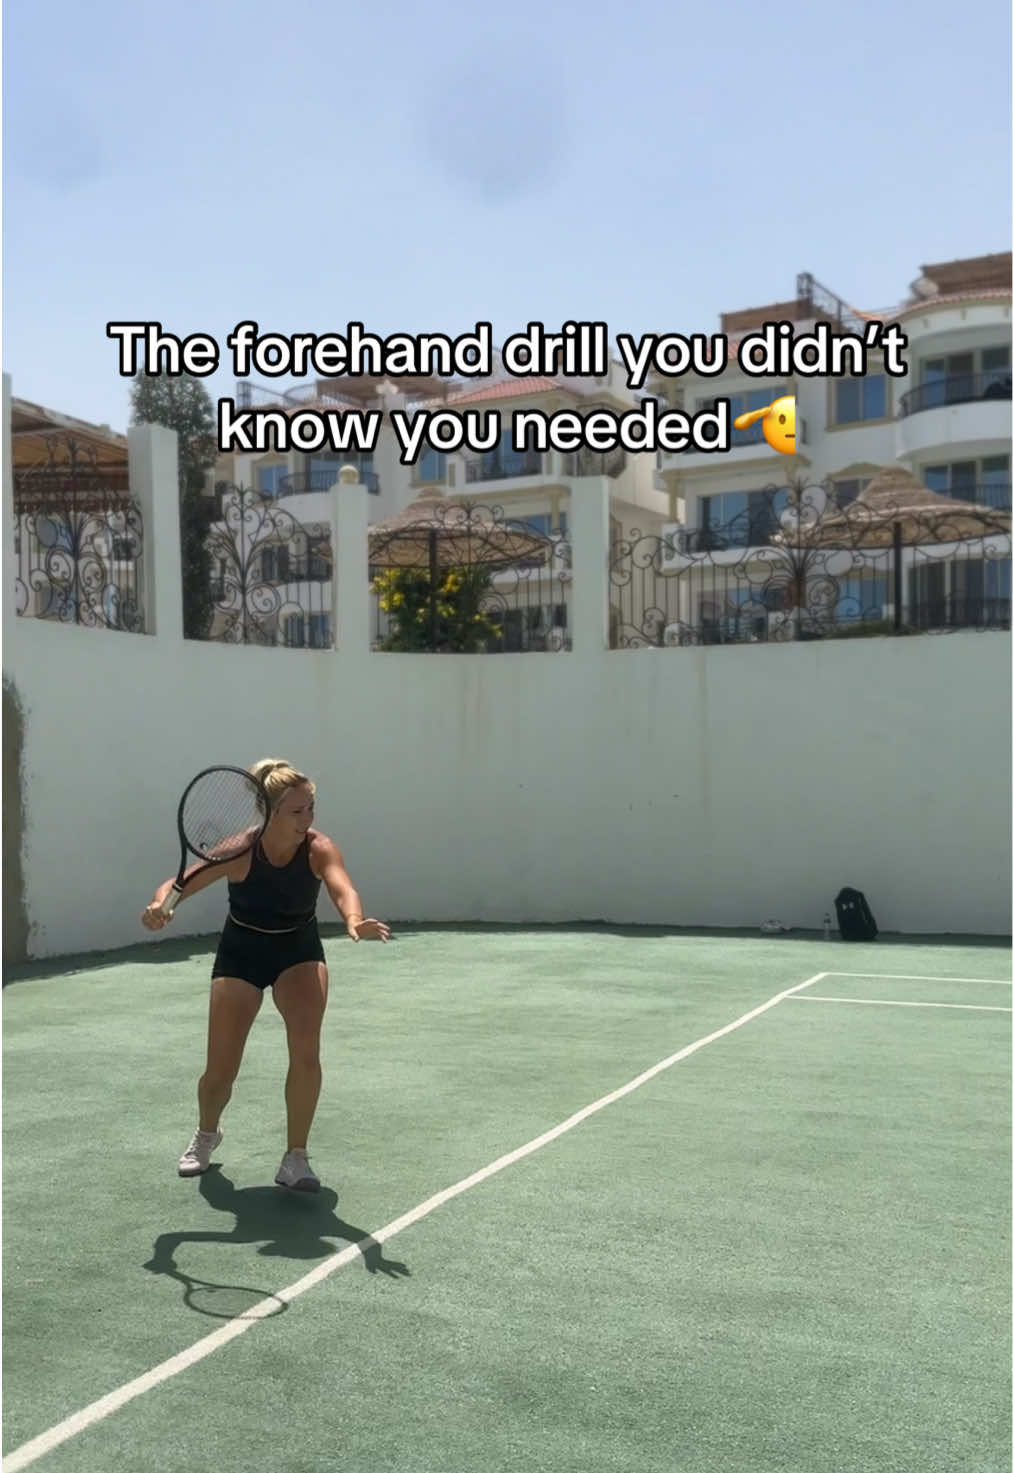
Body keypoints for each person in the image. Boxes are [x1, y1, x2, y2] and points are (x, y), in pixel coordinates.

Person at [141, 758, 390, 1192]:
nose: (307, 819)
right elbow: (179, 884)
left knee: (306, 1053)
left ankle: (296, 1158)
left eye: (311, 808)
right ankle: (207, 1133)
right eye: (296, 811)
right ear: (270, 812)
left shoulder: (318, 848)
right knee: (220, 1071)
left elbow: (342, 887)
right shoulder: (240, 850)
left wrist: (353, 919)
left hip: (298, 952)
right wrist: (161, 907)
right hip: (242, 953)